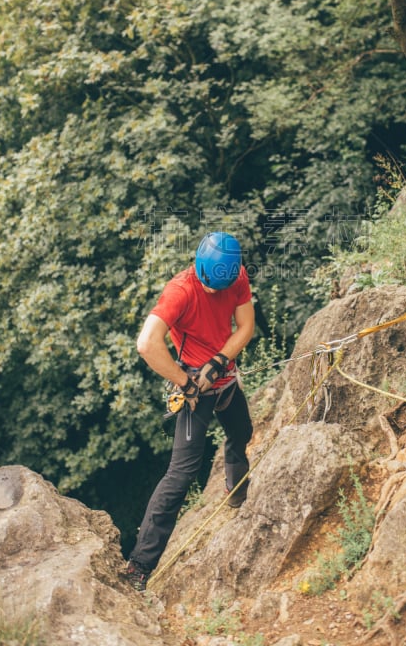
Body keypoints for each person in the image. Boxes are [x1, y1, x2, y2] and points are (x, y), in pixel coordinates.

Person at [124, 231, 255, 592]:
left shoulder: (235, 275)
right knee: (180, 475)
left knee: (242, 432)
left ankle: (236, 487)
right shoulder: (181, 290)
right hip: (195, 391)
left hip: (223, 380)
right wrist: (185, 381)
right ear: (199, 268)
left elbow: (246, 326)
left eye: (220, 287)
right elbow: (146, 343)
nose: (214, 293)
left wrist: (219, 361)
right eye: (209, 286)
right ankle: (139, 565)